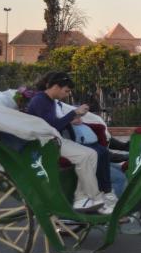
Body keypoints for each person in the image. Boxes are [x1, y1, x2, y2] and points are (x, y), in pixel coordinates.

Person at [26, 72, 113, 213]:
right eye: (66, 91)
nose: (66, 95)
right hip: (46, 143)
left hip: (54, 140)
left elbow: (53, 124)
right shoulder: (40, 100)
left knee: (92, 154)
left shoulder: (47, 100)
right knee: (85, 156)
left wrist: (74, 117)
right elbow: (53, 125)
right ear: (55, 87)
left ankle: (81, 198)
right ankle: (95, 198)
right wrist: (74, 113)